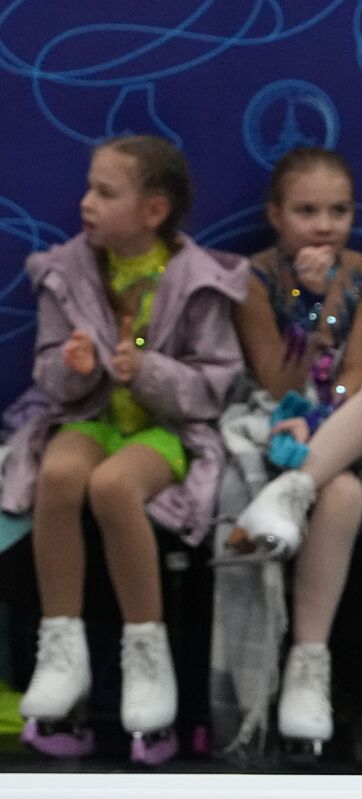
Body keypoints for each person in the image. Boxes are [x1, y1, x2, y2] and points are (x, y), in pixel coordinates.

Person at [2, 135, 248, 764]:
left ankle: (147, 654)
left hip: (165, 432)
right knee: (59, 473)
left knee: (114, 487)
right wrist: (76, 367)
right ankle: (63, 650)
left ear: (153, 211)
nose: (86, 202)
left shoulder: (199, 280)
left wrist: (149, 372)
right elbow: (50, 378)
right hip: (91, 419)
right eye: (89, 186)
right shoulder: (68, 269)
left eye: (105, 192)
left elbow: (213, 389)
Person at [211, 147, 362, 759]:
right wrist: (308, 312)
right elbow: (280, 385)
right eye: (307, 210)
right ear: (276, 215)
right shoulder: (251, 277)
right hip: (280, 419)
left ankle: (291, 492)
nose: (324, 225)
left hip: (349, 420)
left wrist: (333, 299)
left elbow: (355, 378)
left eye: (338, 210)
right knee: (344, 491)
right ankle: (308, 663)